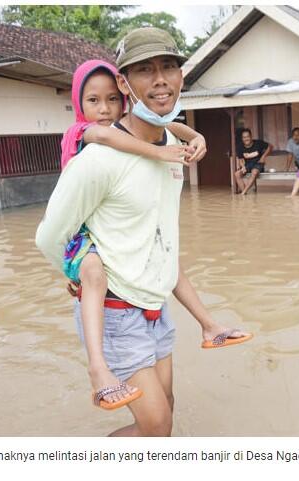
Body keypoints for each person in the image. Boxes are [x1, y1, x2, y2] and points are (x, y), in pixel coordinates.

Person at [36, 27, 252, 437]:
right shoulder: (96, 160)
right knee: (156, 426)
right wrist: (80, 274)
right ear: (124, 82)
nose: (159, 80)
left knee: (165, 413)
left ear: (182, 77)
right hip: (115, 313)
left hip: (156, 307)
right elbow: (49, 237)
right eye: (144, 70)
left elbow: (161, 242)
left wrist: (209, 321)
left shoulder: (176, 146)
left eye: (168, 67)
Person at [57, 59, 209, 411]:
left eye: (111, 100)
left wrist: (196, 135)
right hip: (83, 233)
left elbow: (173, 126)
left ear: (122, 97)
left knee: (165, 408)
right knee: (92, 276)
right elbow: (111, 134)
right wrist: (159, 152)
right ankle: (98, 368)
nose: (105, 110)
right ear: (79, 103)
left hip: (136, 278)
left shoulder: (140, 137)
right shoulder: (85, 135)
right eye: (93, 101)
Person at [233, 128, 272, 195]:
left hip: (258, 164)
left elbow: (270, 146)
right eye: (244, 137)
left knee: (254, 172)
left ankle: (244, 192)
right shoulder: (240, 147)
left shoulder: (258, 143)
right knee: (237, 174)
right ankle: (244, 192)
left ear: (251, 137)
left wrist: (263, 157)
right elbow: (241, 159)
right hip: (247, 165)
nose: (246, 139)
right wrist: (243, 167)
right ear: (242, 139)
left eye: (247, 136)